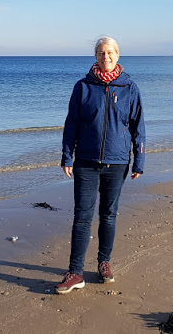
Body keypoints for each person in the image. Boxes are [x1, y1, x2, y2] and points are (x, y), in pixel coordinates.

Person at [55, 36, 145, 294]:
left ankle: (104, 263)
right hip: (85, 161)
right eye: (101, 53)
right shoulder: (83, 87)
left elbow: (138, 127)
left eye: (110, 53)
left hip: (117, 162)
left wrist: (139, 160)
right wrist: (66, 156)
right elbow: (71, 123)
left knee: (109, 215)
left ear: (118, 56)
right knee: (82, 217)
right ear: (95, 56)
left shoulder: (129, 87)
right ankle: (75, 272)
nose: (106, 57)